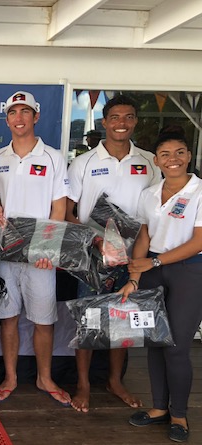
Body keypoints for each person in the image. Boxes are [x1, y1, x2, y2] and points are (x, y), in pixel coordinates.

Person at [66, 94, 161, 413]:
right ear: (104, 122)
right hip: (93, 255)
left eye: (129, 117)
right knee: (89, 319)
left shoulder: (149, 161)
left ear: (136, 121)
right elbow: (67, 212)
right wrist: (94, 241)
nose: (122, 123)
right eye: (115, 117)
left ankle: (115, 381)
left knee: (123, 320)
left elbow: (155, 210)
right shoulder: (84, 162)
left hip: (134, 256)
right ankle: (83, 383)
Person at [0, 91, 71, 406]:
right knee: (8, 317)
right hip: (5, 251)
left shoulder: (53, 158)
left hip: (40, 255)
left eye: (24, 112)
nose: (18, 118)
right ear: (7, 120)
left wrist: (49, 248)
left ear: (36, 116)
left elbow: (59, 208)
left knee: (44, 319)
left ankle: (44, 377)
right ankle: (10, 377)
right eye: (12, 112)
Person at [121, 128, 202, 443]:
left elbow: (198, 242)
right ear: (156, 160)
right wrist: (134, 276)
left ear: (189, 156)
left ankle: (178, 413)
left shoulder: (199, 191)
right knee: (155, 341)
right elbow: (145, 235)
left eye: (179, 152)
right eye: (165, 154)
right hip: (152, 271)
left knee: (177, 347)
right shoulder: (150, 193)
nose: (173, 159)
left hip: (189, 271)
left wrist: (154, 263)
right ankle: (158, 408)